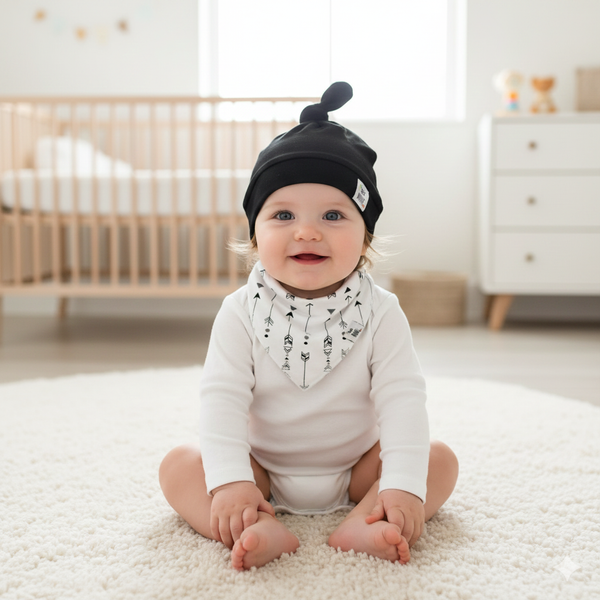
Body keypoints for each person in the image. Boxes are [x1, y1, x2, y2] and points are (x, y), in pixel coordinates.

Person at [159, 82, 459, 571]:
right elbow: (222, 400)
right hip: (263, 471)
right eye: (282, 215)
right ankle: (256, 523)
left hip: (359, 468)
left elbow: (403, 399)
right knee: (178, 466)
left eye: (334, 215)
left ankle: (366, 519)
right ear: (255, 234)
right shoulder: (240, 311)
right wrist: (233, 481)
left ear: (365, 239)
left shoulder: (382, 312)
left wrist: (402, 485)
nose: (307, 231)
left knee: (437, 459)